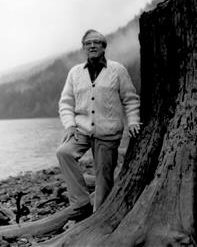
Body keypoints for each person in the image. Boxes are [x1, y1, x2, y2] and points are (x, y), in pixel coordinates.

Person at [56, 29, 141, 222]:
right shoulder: (75, 72)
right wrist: (69, 125)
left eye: (96, 42)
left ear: (104, 46)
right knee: (64, 153)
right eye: (88, 43)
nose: (92, 46)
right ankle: (81, 204)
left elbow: (130, 99)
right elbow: (66, 103)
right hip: (82, 130)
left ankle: (99, 219)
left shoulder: (117, 70)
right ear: (84, 48)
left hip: (108, 132)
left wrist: (133, 121)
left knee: (103, 179)